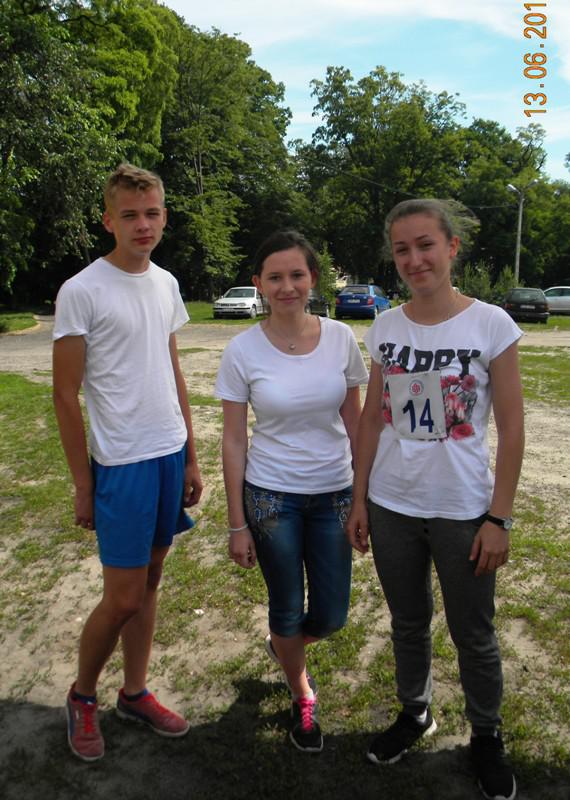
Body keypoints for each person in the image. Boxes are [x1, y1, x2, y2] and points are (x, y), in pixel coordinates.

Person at [346, 199, 524, 800]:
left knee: (473, 631)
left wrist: (499, 517)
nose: (414, 259)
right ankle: (415, 711)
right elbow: (373, 418)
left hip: (463, 509)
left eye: (425, 245)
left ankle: (487, 736)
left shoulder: (491, 324)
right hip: (392, 504)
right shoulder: (385, 327)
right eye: (402, 249)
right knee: (408, 621)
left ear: (452, 247)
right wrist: (360, 499)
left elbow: (513, 427)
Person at [52, 163, 203, 762]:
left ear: (164, 216)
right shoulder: (82, 290)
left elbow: (172, 370)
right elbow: (65, 395)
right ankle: (82, 696)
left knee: (152, 581)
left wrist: (191, 457)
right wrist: (83, 484)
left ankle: (134, 692)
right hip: (121, 464)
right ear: (108, 220)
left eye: (153, 213)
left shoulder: (166, 283)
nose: (144, 224)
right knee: (121, 598)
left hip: (168, 454)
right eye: (131, 215)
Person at [214, 230, 368, 753]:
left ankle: (284, 647)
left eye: (296, 275)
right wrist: (237, 523)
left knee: (332, 614)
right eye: (275, 277)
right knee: (285, 605)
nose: (287, 286)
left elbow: (355, 421)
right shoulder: (242, 349)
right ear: (258, 284)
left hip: (334, 494)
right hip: (271, 498)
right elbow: (234, 439)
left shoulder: (341, 338)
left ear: (312, 279)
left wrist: (362, 496)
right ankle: (302, 692)